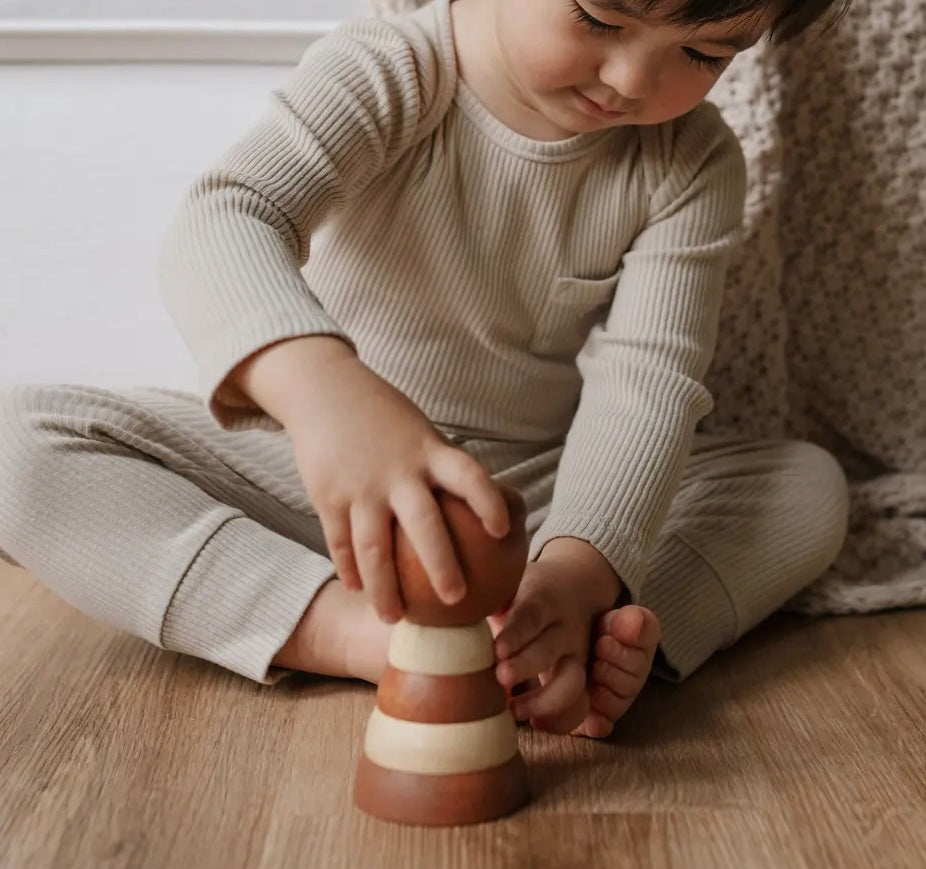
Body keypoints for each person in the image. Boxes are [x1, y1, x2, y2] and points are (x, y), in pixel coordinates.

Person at [0, 0, 851, 738]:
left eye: (703, 53)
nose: (632, 77)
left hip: (521, 502)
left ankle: (560, 636)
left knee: (807, 485)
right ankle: (357, 635)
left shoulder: (692, 160)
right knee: (16, 442)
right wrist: (327, 397)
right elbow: (228, 216)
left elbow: (648, 385)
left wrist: (577, 568)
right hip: (308, 476)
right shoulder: (393, 68)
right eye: (599, 18)